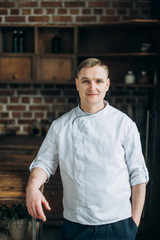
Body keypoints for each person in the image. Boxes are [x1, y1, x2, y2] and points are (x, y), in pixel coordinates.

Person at [26, 58, 149, 240]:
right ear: (77, 84)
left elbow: (138, 176)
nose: (93, 87)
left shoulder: (124, 125)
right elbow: (44, 163)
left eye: (98, 81)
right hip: (76, 224)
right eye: (86, 81)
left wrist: (134, 224)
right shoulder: (60, 126)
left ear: (107, 84)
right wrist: (33, 187)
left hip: (119, 223)